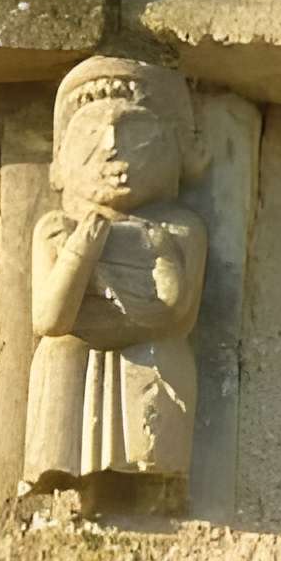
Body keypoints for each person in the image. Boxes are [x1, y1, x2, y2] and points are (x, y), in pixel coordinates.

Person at [24, 56, 207, 493]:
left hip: (150, 364)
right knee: (62, 351)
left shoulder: (180, 228)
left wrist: (152, 257)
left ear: (179, 152)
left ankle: (153, 480)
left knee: (156, 356)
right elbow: (50, 319)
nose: (111, 147)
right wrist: (82, 250)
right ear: (60, 163)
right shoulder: (55, 228)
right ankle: (62, 481)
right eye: (89, 135)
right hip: (71, 361)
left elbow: (172, 315)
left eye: (137, 133)